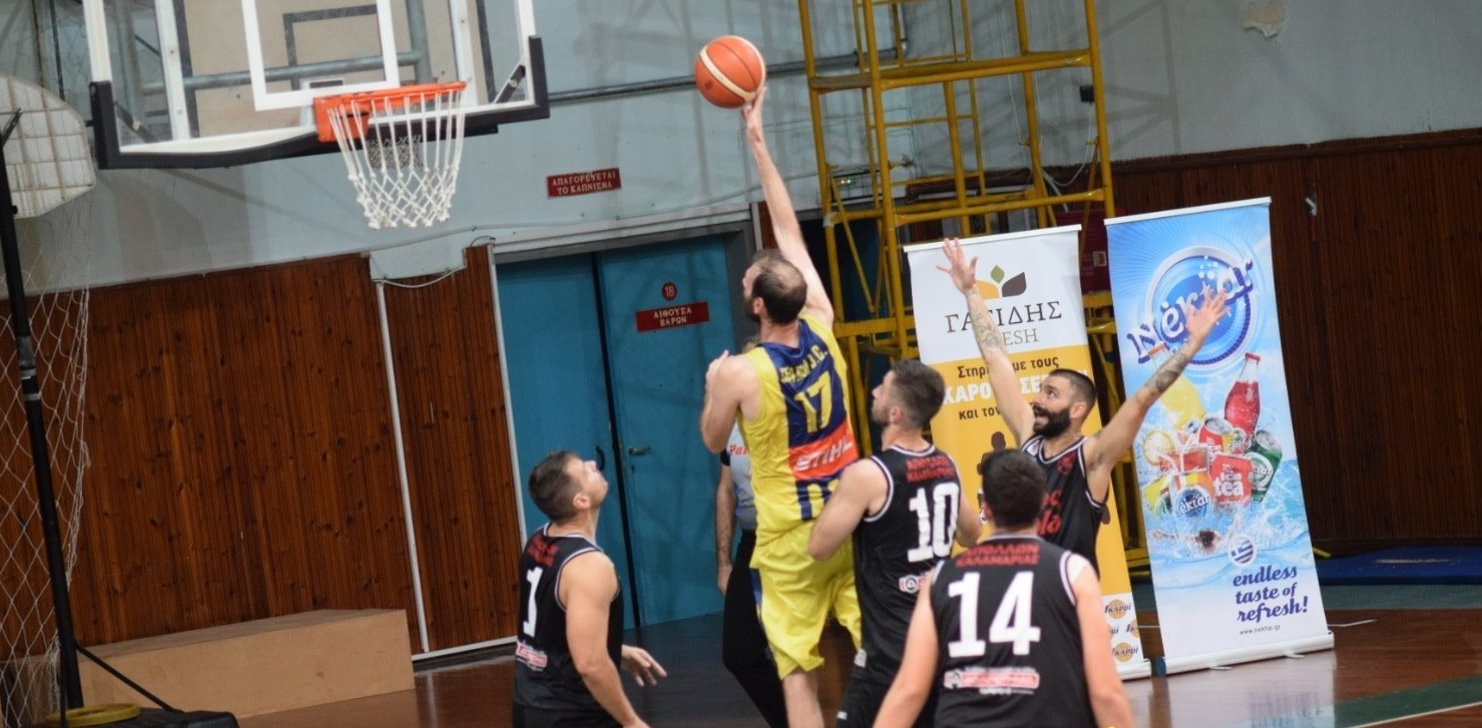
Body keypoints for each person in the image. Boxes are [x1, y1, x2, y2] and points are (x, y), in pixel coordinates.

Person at [700, 84, 862, 728]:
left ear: (761, 305)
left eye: (748, 282)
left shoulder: (739, 373)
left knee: (797, 673)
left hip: (791, 539)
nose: (745, 280)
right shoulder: (824, 321)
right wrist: (760, 144)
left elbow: (714, 442)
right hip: (850, 519)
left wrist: (712, 385)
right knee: (886, 655)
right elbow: (790, 232)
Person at [941, 237, 1228, 569]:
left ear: (1078, 410)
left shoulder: (1091, 456)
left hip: (1070, 594)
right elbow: (996, 359)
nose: (1037, 401)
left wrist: (1192, 344)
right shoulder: (1029, 437)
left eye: (1051, 394)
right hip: (1024, 589)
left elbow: (1143, 399)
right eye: (1041, 391)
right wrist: (971, 291)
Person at [873, 449, 1135, 728]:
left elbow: (909, 690)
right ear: (1043, 504)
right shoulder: (1073, 572)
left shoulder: (940, 578)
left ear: (986, 508)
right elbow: (1106, 693)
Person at [808, 358, 983, 727]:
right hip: (943, 634)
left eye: (883, 388)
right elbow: (971, 534)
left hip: (892, 646)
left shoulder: (869, 475)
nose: (874, 392)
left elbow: (819, 547)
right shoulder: (947, 464)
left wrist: (830, 493)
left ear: (896, 413)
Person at [513, 450, 667, 728]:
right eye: (585, 470)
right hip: (573, 714)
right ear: (581, 501)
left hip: (529, 706)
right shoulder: (589, 566)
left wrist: (613, 649)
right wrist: (631, 721)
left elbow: (549, 627)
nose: (593, 464)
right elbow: (590, 665)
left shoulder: (538, 540)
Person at [715, 415, 788, 727]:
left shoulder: (789, 413)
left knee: (796, 653)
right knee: (739, 653)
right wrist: (724, 562)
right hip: (752, 541)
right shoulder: (731, 424)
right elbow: (726, 490)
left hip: (792, 539)